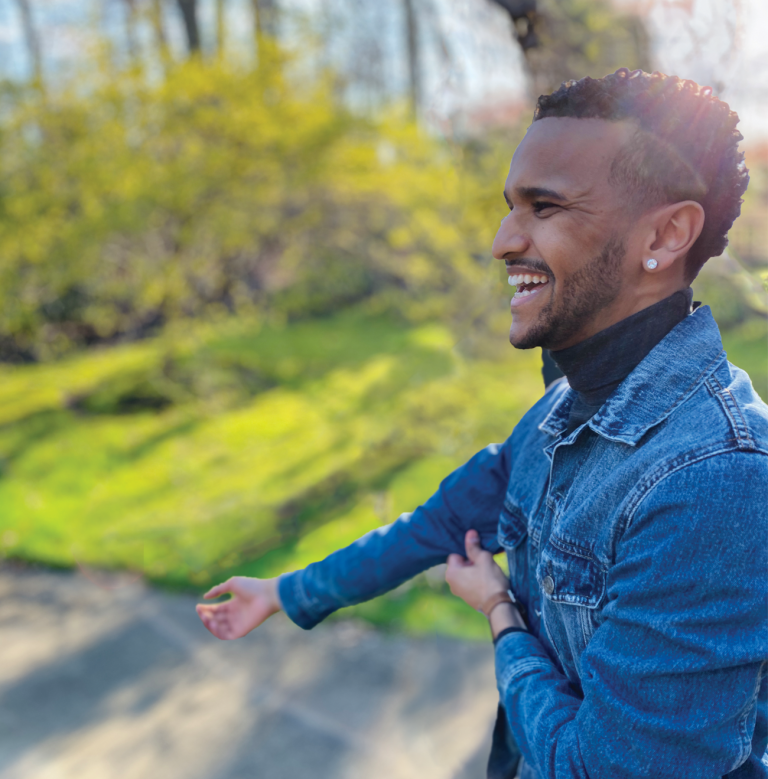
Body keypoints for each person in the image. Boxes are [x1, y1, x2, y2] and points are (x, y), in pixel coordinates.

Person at [196, 69, 768, 779]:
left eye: (544, 206)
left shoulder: (715, 478)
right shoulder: (560, 412)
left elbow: (607, 770)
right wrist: (286, 592)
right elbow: (437, 525)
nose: (503, 240)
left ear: (665, 234)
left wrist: (502, 617)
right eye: (510, 207)